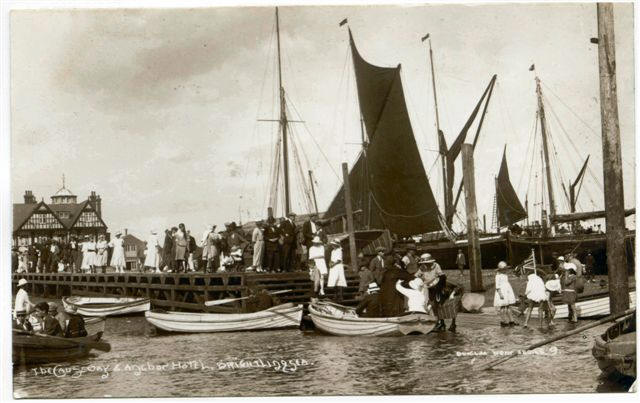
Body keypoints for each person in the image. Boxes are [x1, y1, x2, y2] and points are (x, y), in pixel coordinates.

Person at [494, 261, 517, 327]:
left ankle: (511, 320)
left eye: (506, 269)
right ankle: (503, 321)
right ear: (501, 269)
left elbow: (506, 283)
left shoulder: (505, 275)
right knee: (503, 307)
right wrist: (500, 294)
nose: (505, 270)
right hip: (502, 292)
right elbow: (497, 286)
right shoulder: (498, 276)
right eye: (504, 269)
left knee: (508, 306)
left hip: (507, 292)